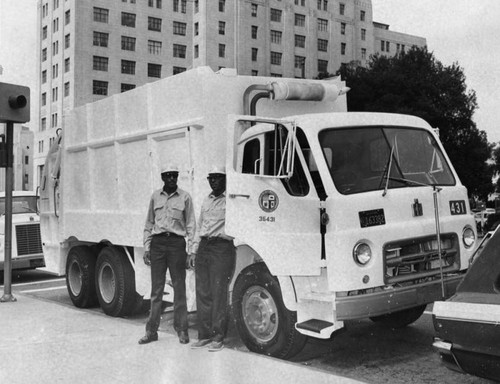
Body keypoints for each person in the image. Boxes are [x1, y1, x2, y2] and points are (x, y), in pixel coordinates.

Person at [139, 164, 196, 345]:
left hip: (176, 245)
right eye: (168, 175)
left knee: (179, 288)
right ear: (163, 177)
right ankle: (151, 331)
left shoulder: (185, 197)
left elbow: (191, 226)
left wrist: (191, 251)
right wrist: (147, 247)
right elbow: (148, 224)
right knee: (157, 290)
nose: (172, 178)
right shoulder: (155, 197)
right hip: (158, 245)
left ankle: (182, 330)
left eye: (174, 175)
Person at [189, 166, 235, 352]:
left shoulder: (231, 201)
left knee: (218, 293)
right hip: (204, 247)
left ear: (225, 179)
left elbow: (239, 225)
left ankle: (218, 336)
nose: (213, 181)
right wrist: (193, 251)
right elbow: (200, 226)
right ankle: (204, 335)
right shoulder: (206, 201)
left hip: (221, 248)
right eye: (211, 178)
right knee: (203, 292)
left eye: (217, 178)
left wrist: (226, 236)